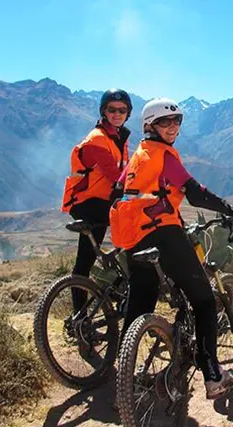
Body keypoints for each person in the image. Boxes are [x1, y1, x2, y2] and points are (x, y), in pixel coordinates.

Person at [109, 97, 233, 400]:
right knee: (203, 300)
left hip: (133, 238)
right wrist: (228, 208)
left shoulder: (138, 156)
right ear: (150, 126)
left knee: (140, 304)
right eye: (165, 122)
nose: (172, 127)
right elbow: (195, 193)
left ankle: (126, 378)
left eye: (177, 121)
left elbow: (118, 191)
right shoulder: (163, 155)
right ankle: (212, 374)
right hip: (163, 235)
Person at [61, 89, 132, 311]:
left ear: (128, 113)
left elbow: (129, 170)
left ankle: (118, 287)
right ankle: (80, 316)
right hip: (87, 203)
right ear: (104, 111)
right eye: (112, 110)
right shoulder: (97, 140)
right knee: (84, 262)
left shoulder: (119, 139)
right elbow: (118, 176)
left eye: (122, 110)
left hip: (102, 201)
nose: (117, 114)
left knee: (95, 255)